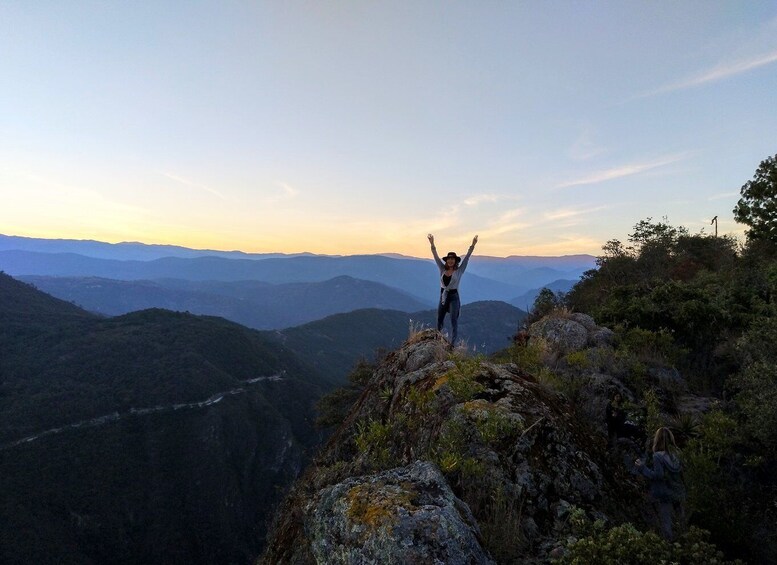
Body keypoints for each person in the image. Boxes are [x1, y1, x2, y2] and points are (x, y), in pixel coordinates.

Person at [634, 427, 686, 540]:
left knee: (666, 521)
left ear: (657, 439)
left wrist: (642, 468)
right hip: (678, 490)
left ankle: (669, 545)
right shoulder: (677, 453)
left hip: (665, 493)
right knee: (681, 519)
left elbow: (658, 476)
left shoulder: (658, 456)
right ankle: (685, 540)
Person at [427, 233, 478, 346]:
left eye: (452, 259)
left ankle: (452, 345)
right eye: (449, 259)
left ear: (455, 261)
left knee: (453, 321)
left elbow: (467, 257)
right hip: (443, 296)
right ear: (446, 260)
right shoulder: (442, 268)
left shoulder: (460, 270)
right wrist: (432, 244)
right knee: (440, 319)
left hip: (454, 297)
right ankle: (437, 341)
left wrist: (472, 245)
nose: (450, 261)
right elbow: (435, 256)